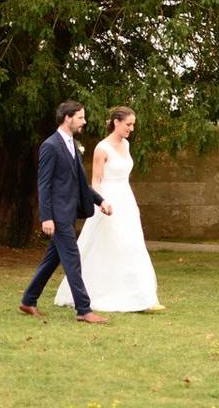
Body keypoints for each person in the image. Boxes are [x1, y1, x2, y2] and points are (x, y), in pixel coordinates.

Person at [54, 106, 164, 312]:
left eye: (133, 125)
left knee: (133, 245)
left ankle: (140, 295)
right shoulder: (101, 148)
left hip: (126, 200)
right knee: (112, 245)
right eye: (128, 124)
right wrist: (100, 203)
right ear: (116, 122)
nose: (131, 128)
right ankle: (97, 293)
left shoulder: (127, 145)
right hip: (108, 202)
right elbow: (95, 181)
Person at [19, 100, 114, 324]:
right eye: (80, 117)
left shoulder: (73, 145)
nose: (84, 121)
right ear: (67, 118)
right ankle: (84, 309)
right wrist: (47, 217)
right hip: (58, 216)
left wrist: (99, 201)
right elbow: (44, 184)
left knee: (52, 260)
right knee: (72, 260)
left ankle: (28, 300)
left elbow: (80, 182)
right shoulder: (50, 146)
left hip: (70, 213)